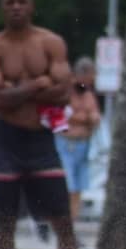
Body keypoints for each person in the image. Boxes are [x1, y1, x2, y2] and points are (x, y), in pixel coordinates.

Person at [0, 0, 79, 249]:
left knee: (62, 220)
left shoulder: (50, 43)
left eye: (22, 1)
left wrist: (16, 90)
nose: (16, 7)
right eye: (10, 2)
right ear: (2, 7)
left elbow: (64, 92)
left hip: (41, 140)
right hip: (4, 140)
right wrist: (38, 83)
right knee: (5, 222)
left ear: (31, 5)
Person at [54, 57, 101, 223]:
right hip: (66, 143)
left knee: (78, 188)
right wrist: (84, 117)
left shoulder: (88, 94)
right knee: (67, 185)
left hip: (83, 145)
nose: (91, 82)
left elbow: (95, 116)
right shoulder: (66, 91)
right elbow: (63, 115)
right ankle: (60, 220)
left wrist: (87, 117)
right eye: (90, 78)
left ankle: (71, 223)